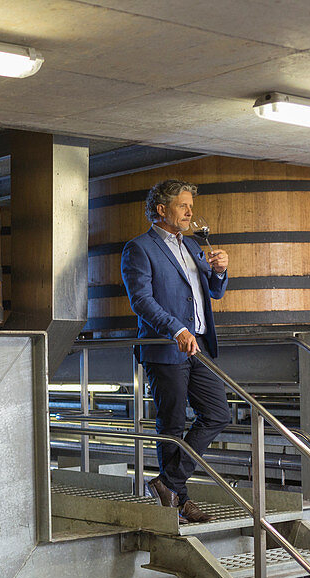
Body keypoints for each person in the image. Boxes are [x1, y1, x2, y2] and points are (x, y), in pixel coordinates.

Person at [120, 179, 230, 524]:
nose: (190, 212)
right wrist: (176, 328)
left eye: (190, 207)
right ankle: (179, 502)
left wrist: (220, 272)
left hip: (197, 345)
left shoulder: (195, 248)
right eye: (183, 206)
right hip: (166, 346)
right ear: (161, 209)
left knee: (217, 413)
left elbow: (212, 293)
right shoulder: (139, 248)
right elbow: (141, 300)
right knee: (172, 424)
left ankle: (169, 483)